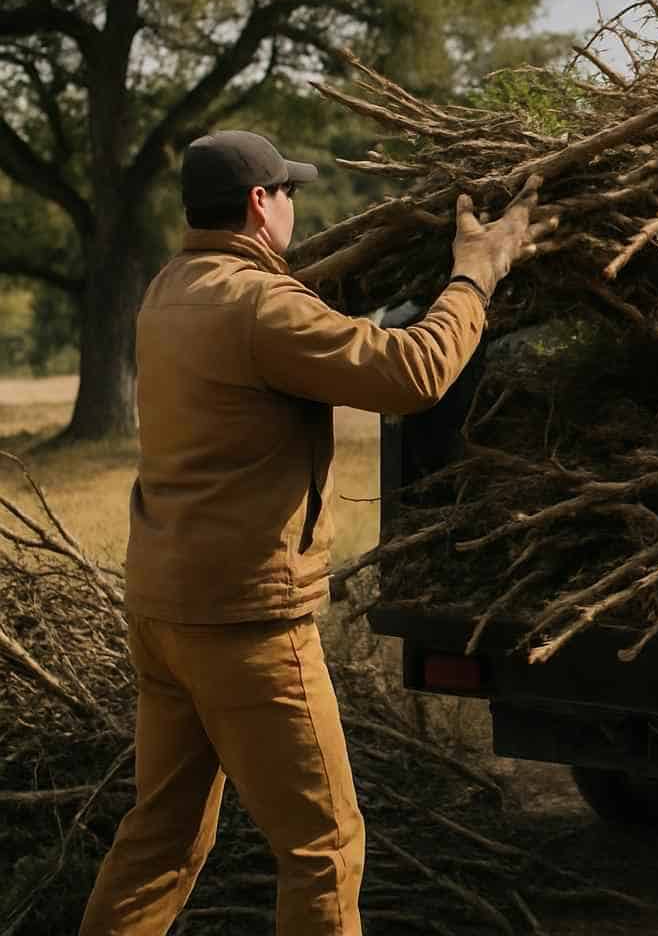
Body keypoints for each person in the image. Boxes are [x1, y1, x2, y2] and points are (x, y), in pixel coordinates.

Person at [79, 130, 538, 935]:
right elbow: (412, 373)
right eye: (287, 191)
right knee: (326, 846)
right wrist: (478, 270)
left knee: (162, 838)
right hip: (246, 624)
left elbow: (282, 310)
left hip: (164, 612)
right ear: (262, 204)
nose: (295, 203)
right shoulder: (261, 307)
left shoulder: (169, 290)